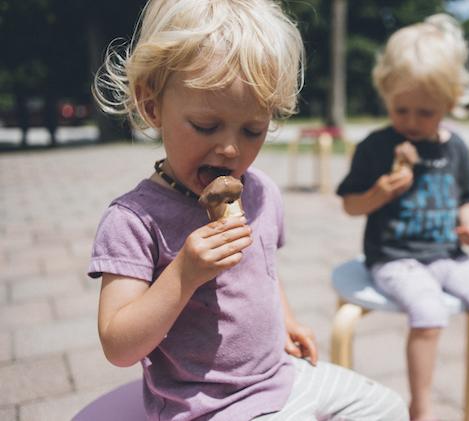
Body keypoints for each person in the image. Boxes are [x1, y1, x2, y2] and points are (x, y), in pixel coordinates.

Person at [89, 1, 409, 420]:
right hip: (205, 404)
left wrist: (288, 323)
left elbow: (264, 271)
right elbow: (119, 345)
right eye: (206, 126)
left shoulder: (261, 193)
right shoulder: (133, 221)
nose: (230, 149)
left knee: (386, 408)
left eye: (253, 130)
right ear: (152, 107)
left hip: (279, 375)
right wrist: (184, 273)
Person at [336, 14, 469, 421]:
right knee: (428, 310)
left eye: (426, 112)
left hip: (447, 255)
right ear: (386, 95)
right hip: (394, 258)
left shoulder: (456, 149)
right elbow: (350, 204)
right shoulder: (376, 147)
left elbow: (468, 196)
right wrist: (378, 193)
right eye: (402, 110)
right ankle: (422, 407)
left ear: (450, 105)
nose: (412, 123)